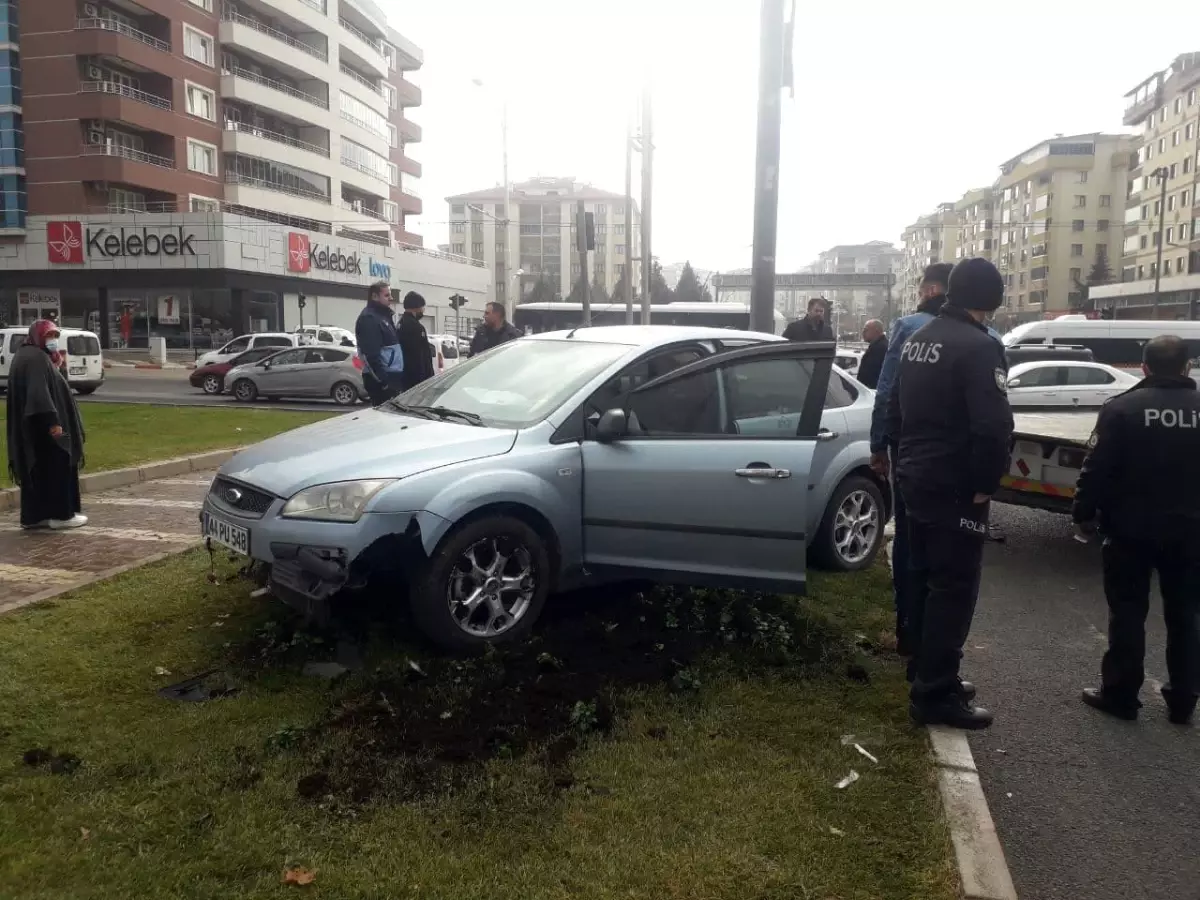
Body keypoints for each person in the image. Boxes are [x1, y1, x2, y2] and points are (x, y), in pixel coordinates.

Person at [884, 257, 1013, 729]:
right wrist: (985, 484)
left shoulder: (920, 339)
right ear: (991, 299)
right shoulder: (979, 347)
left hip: (916, 476)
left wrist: (903, 459)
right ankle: (936, 693)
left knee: (922, 578)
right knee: (954, 588)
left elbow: (895, 404)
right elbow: (994, 426)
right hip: (955, 486)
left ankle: (927, 671)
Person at [1074, 335, 1200, 726]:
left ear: (1144, 368)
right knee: (1186, 614)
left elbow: (1096, 468)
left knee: (1128, 611)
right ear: (1186, 368)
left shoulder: (1122, 409)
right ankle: (1183, 700)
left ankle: (1121, 695)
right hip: (1192, 533)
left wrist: (1083, 512)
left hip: (1130, 530)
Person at [869, 263, 955, 654]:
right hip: (957, 458)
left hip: (909, 450)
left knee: (908, 536)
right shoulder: (986, 335)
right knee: (953, 553)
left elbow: (886, 391)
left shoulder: (906, 328)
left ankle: (907, 630)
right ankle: (940, 644)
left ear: (930, 288)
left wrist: (878, 445)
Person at [5, 319, 88, 530]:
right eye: (49, 336)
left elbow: (45, 384)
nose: (52, 341)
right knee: (57, 465)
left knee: (37, 471)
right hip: (45, 426)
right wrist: (53, 422)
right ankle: (61, 515)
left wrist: (55, 366)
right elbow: (39, 394)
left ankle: (35, 517)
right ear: (38, 336)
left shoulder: (27, 355)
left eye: (54, 337)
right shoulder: (36, 359)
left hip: (32, 429)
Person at [354, 280, 405, 406]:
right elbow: (370, 355)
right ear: (375, 296)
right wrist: (384, 382)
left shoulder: (383, 316)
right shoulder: (369, 318)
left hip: (392, 376)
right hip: (382, 380)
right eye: (387, 295)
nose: (391, 298)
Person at [397, 290, 435, 391]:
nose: (423, 310)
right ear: (416, 307)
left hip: (404, 377)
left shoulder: (400, 324)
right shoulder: (416, 327)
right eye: (422, 307)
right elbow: (420, 357)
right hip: (417, 381)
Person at [857, 319, 888, 389]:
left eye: (866, 330)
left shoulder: (881, 348)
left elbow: (871, 374)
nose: (863, 332)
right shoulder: (876, 346)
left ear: (876, 331)